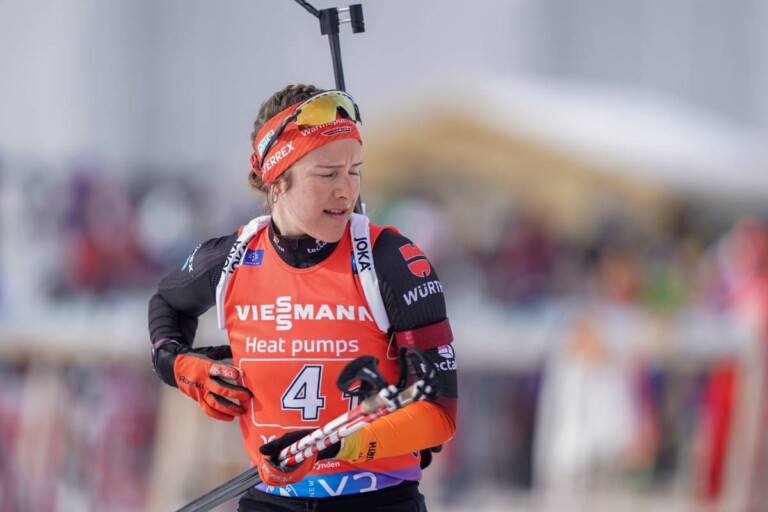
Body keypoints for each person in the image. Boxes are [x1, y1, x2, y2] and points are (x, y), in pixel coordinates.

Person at [147, 84, 458, 511]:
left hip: (376, 500)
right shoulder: (234, 259)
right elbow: (166, 304)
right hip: (271, 499)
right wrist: (180, 366)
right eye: (327, 174)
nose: (346, 191)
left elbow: (438, 415)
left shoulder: (389, 260)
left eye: (354, 170)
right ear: (278, 179)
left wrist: (335, 445)